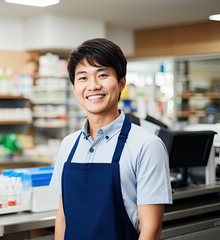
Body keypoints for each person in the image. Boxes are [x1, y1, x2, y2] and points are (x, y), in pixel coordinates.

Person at [49, 38, 173, 240]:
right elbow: (63, 216)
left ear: (121, 82)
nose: (93, 86)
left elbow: (151, 229)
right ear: (74, 87)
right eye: (83, 78)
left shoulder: (147, 145)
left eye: (103, 75)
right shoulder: (68, 144)